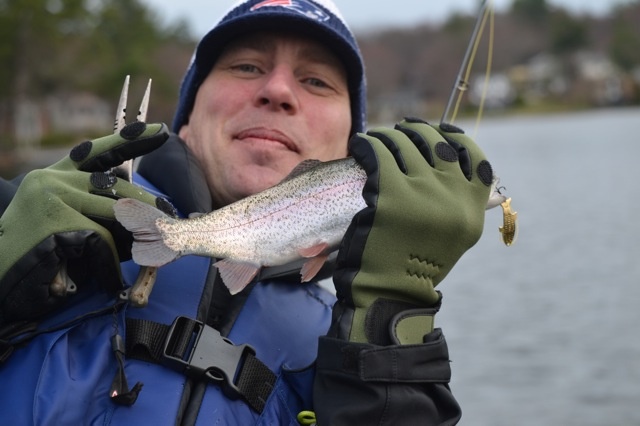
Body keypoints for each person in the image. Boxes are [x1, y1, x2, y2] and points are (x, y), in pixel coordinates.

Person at [0, 0, 494, 424]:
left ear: (352, 143)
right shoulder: (33, 217)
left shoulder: (356, 330)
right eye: (247, 67)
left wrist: (390, 333)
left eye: (316, 81)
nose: (278, 90)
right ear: (189, 117)